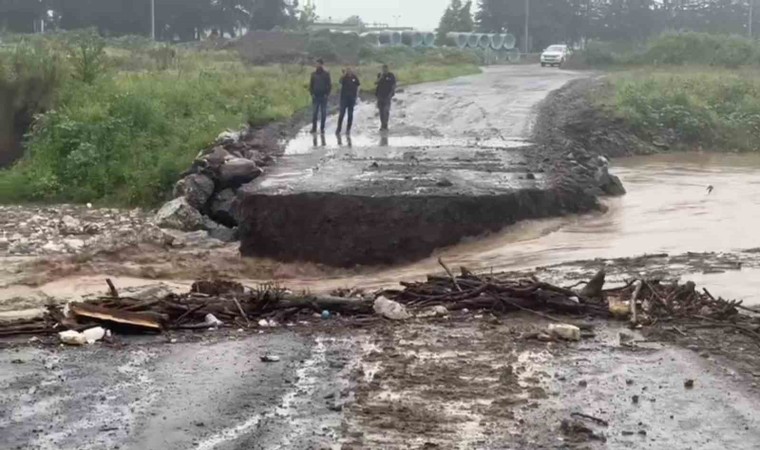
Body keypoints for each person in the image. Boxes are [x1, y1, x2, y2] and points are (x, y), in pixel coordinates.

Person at [309, 58, 331, 134]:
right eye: (316, 64)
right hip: (315, 96)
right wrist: (312, 94)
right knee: (314, 113)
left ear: (321, 64)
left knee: (323, 113)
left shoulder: (326, 74)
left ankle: (322, 128)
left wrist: (327, 94)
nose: (316, 65)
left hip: (323, 97)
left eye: (318, 64)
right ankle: (314, 128)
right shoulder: (313, 74)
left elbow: (329, 85)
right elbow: (311, 85)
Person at [336, 67, 360, 135]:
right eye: (348, 71)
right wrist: (343, 75)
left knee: (350, 114)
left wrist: (356, 95)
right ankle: (338, 128)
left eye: (350, 70)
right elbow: (340, 81)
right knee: (342, 114)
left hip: (352, 98)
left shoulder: (354, 77)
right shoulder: (344, 78)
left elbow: (358, 85)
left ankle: (348, 129)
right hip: (344, 98)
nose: (349, 72)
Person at [375, 64, 397, 131]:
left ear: (387, 69)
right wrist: (381, 77)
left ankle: (386, 125)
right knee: (381, 111)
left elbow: (394, 84)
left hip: (387, 95)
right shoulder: (380, 75)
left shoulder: (391, 75)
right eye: (383, 69)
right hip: (380, 95)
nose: (384, 70)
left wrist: (392, 93)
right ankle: (382, 125)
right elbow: (376, 83)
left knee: (386, 110)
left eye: (385, 69)